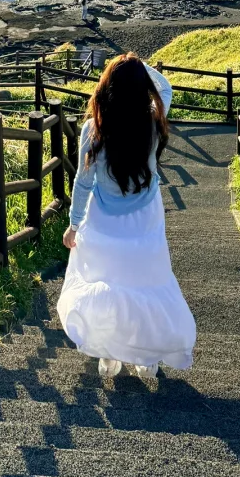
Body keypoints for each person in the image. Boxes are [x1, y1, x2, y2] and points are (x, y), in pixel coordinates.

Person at [56, 53, 196, 379]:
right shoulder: (151, 121)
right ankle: (146, 358)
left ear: (106, 88)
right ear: (141, 89)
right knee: (146, 284)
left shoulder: (94, 127)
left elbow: (82, 182)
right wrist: (137, 65)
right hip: (145, 220)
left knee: (108, 286)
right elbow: (165, 86)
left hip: (103, 223)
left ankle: (107, 353)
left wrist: (74, 224)